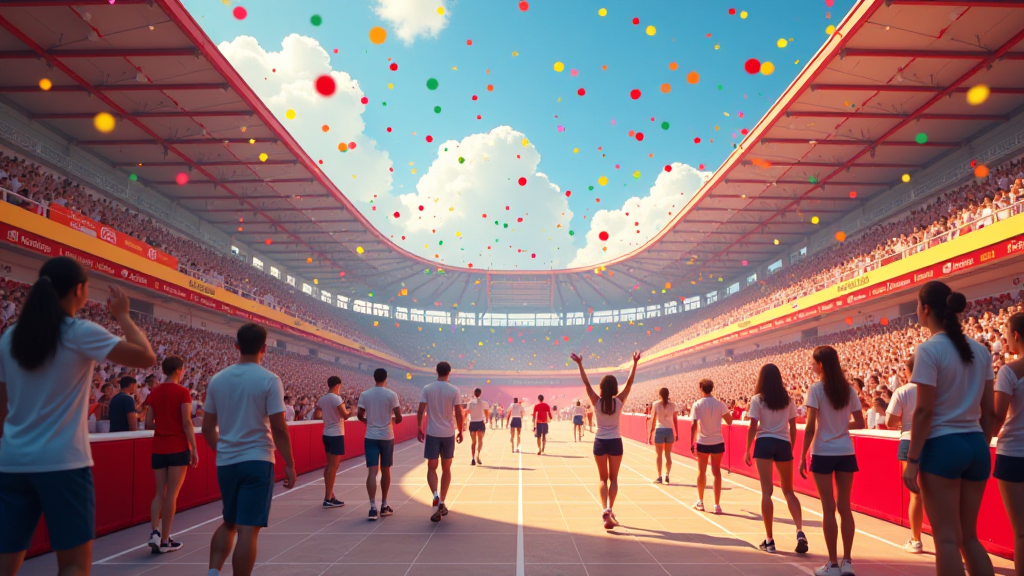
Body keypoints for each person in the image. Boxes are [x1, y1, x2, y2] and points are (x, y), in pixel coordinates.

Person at [0, 257, 155, 576]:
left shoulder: (10, 338)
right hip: (64, 463)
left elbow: (2, 409)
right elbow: (145, 357)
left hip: (12, 462)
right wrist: (124, 316)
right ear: (80, 290)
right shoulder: (78, 331)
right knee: (72, 565)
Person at [902, 281, 995, 576]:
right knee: (969, 537)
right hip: (976, 445)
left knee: (945, 539)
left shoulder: (929, 351)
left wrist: (912, 461)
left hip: (943, 447)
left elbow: (925, 411)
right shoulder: (981, 351)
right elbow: (988, 411)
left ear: (925, 309)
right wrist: (982, 442)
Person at [202, 323, 296, 576]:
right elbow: (278, 426)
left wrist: (221, 451)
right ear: (264, 348)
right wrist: (289, 463)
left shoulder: (217, 379)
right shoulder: (269, 380)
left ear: (236, 346)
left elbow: (207, 427)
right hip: (258, 460)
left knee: (229, 522)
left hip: (227, 462)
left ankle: (213, 572)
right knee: (248, 529)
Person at [799, 346, 865, 576]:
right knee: (845, 508)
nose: (811, 366)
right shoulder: (849, 390)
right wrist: (840, 426)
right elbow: (861, 423)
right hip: (846, 452)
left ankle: (832, 565)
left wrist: (801, 455)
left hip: (823, 452)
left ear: (822, 365)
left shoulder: (816, 390)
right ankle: (847, 562)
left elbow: (809, 427)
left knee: (828, 508)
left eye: (813, 362)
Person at [570, 350, 641, 531]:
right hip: (615, 441)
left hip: (600, 441)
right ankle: (610, 508)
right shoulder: (619, 401)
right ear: (615, 388)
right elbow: (630, 382)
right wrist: (634, 363)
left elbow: (586, 383)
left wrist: (580, 364)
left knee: (602, 479)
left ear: (601, 387)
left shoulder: (596, 402)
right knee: (614, 479)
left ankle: (604, 509)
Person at [743, 363, 807, 555]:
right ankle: (800, 531)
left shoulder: (757, 399)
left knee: (766, 492)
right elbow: (793, 427)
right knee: (789, 491)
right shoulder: (787, 400)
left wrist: (747, 449)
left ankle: (769, 540)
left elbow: (753, 427)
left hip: (764, 442)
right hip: (783, 444)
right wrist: (791, 447)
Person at [145, 355, 198, 554]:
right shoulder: (183, 392)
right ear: (178, 370)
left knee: (159, 493)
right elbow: (186, 423)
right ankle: (165, 540)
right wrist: (193, 448)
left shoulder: (155, 392)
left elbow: (149, 423)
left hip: (158, 448)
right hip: (177, 447)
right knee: (172, 495)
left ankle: (155, 533)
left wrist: (164, 426)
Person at [995, 312, 1024, 576]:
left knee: (1021, 531)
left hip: (1014, 454)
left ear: (1015, 335)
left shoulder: (1009, 372)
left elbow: (995, 418)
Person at [886, 355, 924, 554]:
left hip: (908, 440)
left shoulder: (902, 391)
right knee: (937, 493)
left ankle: (916, 539)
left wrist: (903, 423)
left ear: (907, 371)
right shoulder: (936, 390)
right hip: (934, 440)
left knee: (915, 493)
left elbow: (890, 422)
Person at [417, 362, 463, 523]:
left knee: (431, 467)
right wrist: (461, 430)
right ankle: (442, 500)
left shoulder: (427, 388)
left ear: (436, 371)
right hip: (448, 433)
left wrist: (418, 427)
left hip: (432, 433)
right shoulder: (454, 390)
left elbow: (421, 410)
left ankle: (435, 495)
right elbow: (458, 411)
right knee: (446, 468)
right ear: (449, 372)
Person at [357, 368, 402, 521]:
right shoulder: (391, 395)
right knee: (386, 470)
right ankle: (384, 504)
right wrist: (391, 422)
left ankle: (371, 507)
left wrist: (367, 422)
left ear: (374, 378)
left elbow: (359, 415)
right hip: (387, 436)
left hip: (370, 435)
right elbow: (399, 417)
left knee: (372, 472)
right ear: (386, 378)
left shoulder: (365, 394)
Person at [690, 379, 733, 513]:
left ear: (701, 388)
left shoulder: (697, 404)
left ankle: (701, 502)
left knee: (701, 472)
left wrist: (691, 442)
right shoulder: (720, 404)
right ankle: (717, 505)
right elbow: (730, 421)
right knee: (716, 472)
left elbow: (693, 424)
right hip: (717, 442)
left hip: (703, 441)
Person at [317, 376, 351, 509]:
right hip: (336, 434)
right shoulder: (336, 399)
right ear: (337, 385)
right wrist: (350, 410)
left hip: (326, 433)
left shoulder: (322, 399)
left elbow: (317, 415)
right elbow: (345, 415)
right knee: (333, 467)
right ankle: (327, 498)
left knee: (330, 465)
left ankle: (330, 495)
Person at [648, 387, 679, 485]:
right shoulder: (673, 405)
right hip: (669, 430)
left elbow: (653, 419)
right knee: (668, 455)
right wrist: (676, 432)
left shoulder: (656, 404)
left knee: (659, 455)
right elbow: (675, 420)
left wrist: (650, 433)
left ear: (660, 395)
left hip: (659, 429)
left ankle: (659, 476)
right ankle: (667, 474)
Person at [465, 388, 489, 466]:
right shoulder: (483, 403)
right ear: (480, 393)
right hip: (480, 423)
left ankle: (472, 458)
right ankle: (477, 455)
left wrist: (465, 421)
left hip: (473, 423)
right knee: (480, 440)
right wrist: (487, 419)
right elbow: (486, 412)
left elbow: (467, 412)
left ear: (474, 393)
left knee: (473, 442)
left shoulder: (470, 403)